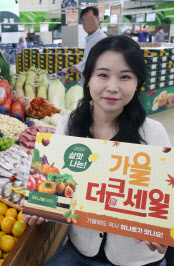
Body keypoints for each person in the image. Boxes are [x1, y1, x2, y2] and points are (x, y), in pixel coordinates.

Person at [25, 36, 171, 266]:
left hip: (138, 259)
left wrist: (165, 229)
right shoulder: (68, 125)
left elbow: (165, 200)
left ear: (137, 82)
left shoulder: (153, 134)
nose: (112, 87)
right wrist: (42, 206)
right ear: (88, 79)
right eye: (103, 75)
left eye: (125, 77)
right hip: (80, 251)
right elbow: (55, 189)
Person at [62, 6, 107, 86]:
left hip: (95, 83)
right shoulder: (90, 38)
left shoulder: (100, 39)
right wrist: (76, 66)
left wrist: (69, 70)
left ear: (97, 19)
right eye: (84, 20)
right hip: (88, 81)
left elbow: (90, 62)